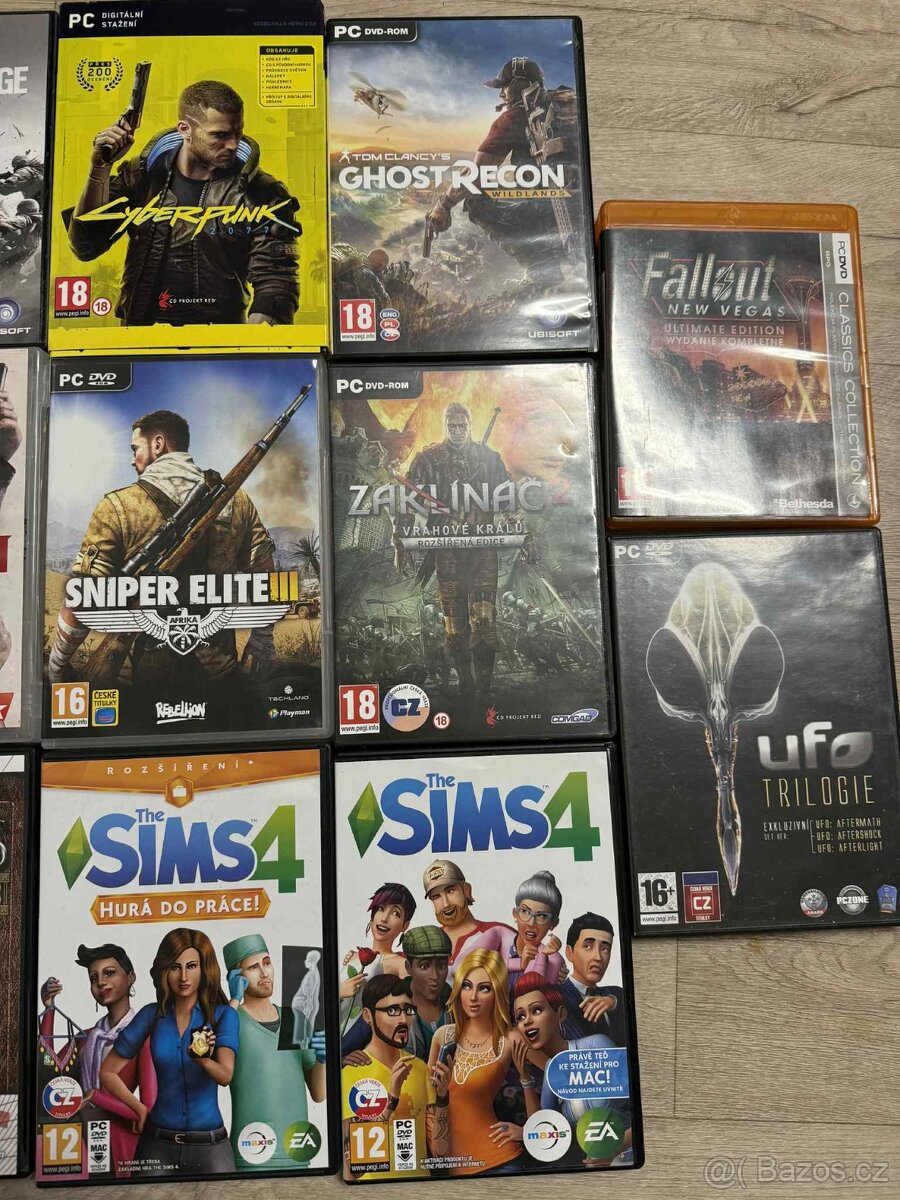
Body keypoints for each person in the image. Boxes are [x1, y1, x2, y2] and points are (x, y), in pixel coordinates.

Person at [46, 407, 277, 689]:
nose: (132, 459)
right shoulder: (238, 501)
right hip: (218, 674)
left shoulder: (117, 506)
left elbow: (83, 598)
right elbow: (266, 578)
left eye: (135, 449)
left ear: (158, 443)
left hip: (133, 683)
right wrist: (262, 643)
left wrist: (57, 664)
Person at [67, 80, 299, 327]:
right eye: (219, 135)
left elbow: (277, 283)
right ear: (185, 129)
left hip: (221, 337)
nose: (232, 144)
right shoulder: (140, 176)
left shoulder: (263, 192)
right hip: (139, 335)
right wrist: (100, 168)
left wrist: (249, 342)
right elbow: (85, 246)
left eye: (237, 132)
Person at [392, 403, 534, 701]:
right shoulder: (427, 459)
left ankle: (484, 687)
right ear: (445, 426)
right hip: (447, 551)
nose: (457, 431)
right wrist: (399, 543)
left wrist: (525, 536)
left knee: (484, 620)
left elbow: (509, 501)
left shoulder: (489, 459)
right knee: (455, 626)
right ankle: (467, 683)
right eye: (452, 426)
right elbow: (407, 502)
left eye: (462, 426)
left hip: (482, 549)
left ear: (469, 426)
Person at [99, 928, 239, 1176]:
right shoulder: (151, 1015)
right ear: (164, 970)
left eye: (192, 966)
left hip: (210, 1146)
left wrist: (204, 1060)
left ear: (204, 969)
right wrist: (139, 1108)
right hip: (157, 1144)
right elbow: (107, 1072)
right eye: (175, 967)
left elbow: (226, 1075)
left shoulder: (222, 1015)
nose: (183, 976)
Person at [425, 57, 571, 288]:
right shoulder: (564, 104)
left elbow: (475, 174)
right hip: (572, 207)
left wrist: (444, 204)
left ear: (518, 85)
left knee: (476, 200)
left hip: (549, 213)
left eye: (504, 87)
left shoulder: (513, 118)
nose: (501, 94)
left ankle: (543, 272)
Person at [39, 943, 157, 1178]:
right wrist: (49, 1010)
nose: (101, 982)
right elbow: (50, 1072)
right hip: (76, 1140)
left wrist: (96, 1096)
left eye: (109, 973)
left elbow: (148, 1113)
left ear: (131, 978)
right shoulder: (86, 1037)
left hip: (118, 1144)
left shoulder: (144, 1037)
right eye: (94, 978)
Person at [224, 934, 325, 1172]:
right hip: (250, 1153)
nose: (264, 973)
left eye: (267, 963)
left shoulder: (294, 1018)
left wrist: (322, 1060)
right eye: (253, 967)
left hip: (296, 1151)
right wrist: (234, 1000)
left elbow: (319, 1094)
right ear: (236, 977)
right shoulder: (231, 1021)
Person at [511, 972, 632, 1168]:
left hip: (627, 1156)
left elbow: (638, 1106)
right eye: (520, 1016)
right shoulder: (551, 1070)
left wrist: (612, 1150)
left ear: (560, 1014)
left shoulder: (596, 1045)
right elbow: (545, 1130)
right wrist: (525, 1079)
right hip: (590, 1165)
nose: (527, 1021)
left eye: (537, 1010)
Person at [427, 948, 527, 1176]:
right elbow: (428, 1104)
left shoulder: (510, 1039)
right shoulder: (442, 1037)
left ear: (497, 992)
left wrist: (527, 1132)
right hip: (452, 1166)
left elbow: (556, 1067)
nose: (473, 997)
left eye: (484, 988)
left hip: (501, 1160)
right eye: (466, 986)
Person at [341, 974, 432, 1181]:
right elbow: (356, 1169)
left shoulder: (420, 1068)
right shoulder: (351, 1072)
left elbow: (439, 1151)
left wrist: (443, 1098)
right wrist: (392, 1097)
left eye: (407, 1010)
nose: (403, 1020)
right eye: (392, 1010)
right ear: (367, 1016)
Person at [454, 870, 565, 998]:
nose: (531, 923)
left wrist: (541, 957)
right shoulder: (499, 934)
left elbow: (532, 1000)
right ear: (515, 914)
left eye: (542, 916)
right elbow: (458, 968)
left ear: (554, 923)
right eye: (525, 911)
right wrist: (519, 964)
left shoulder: (552, 959)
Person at [339, 882, 416, 1033]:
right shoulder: (354, 956)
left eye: (395, 913)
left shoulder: (399, 964)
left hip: (363, 1038)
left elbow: (410, 1007)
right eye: (380, 909)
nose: (384, 918)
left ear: (405, 925)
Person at [422, 859, 512, 968]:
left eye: (450, 891)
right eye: (436, 896)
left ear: (466, 890)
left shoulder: (499, 932)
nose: (445, 904)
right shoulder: (425, 941)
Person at [560, 913, 628, 1045]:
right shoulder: (556, 995)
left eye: (605, 949)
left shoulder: (614, 995)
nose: (598, 957)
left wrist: (613, 1002)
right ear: (569, 953)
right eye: (588, 946)